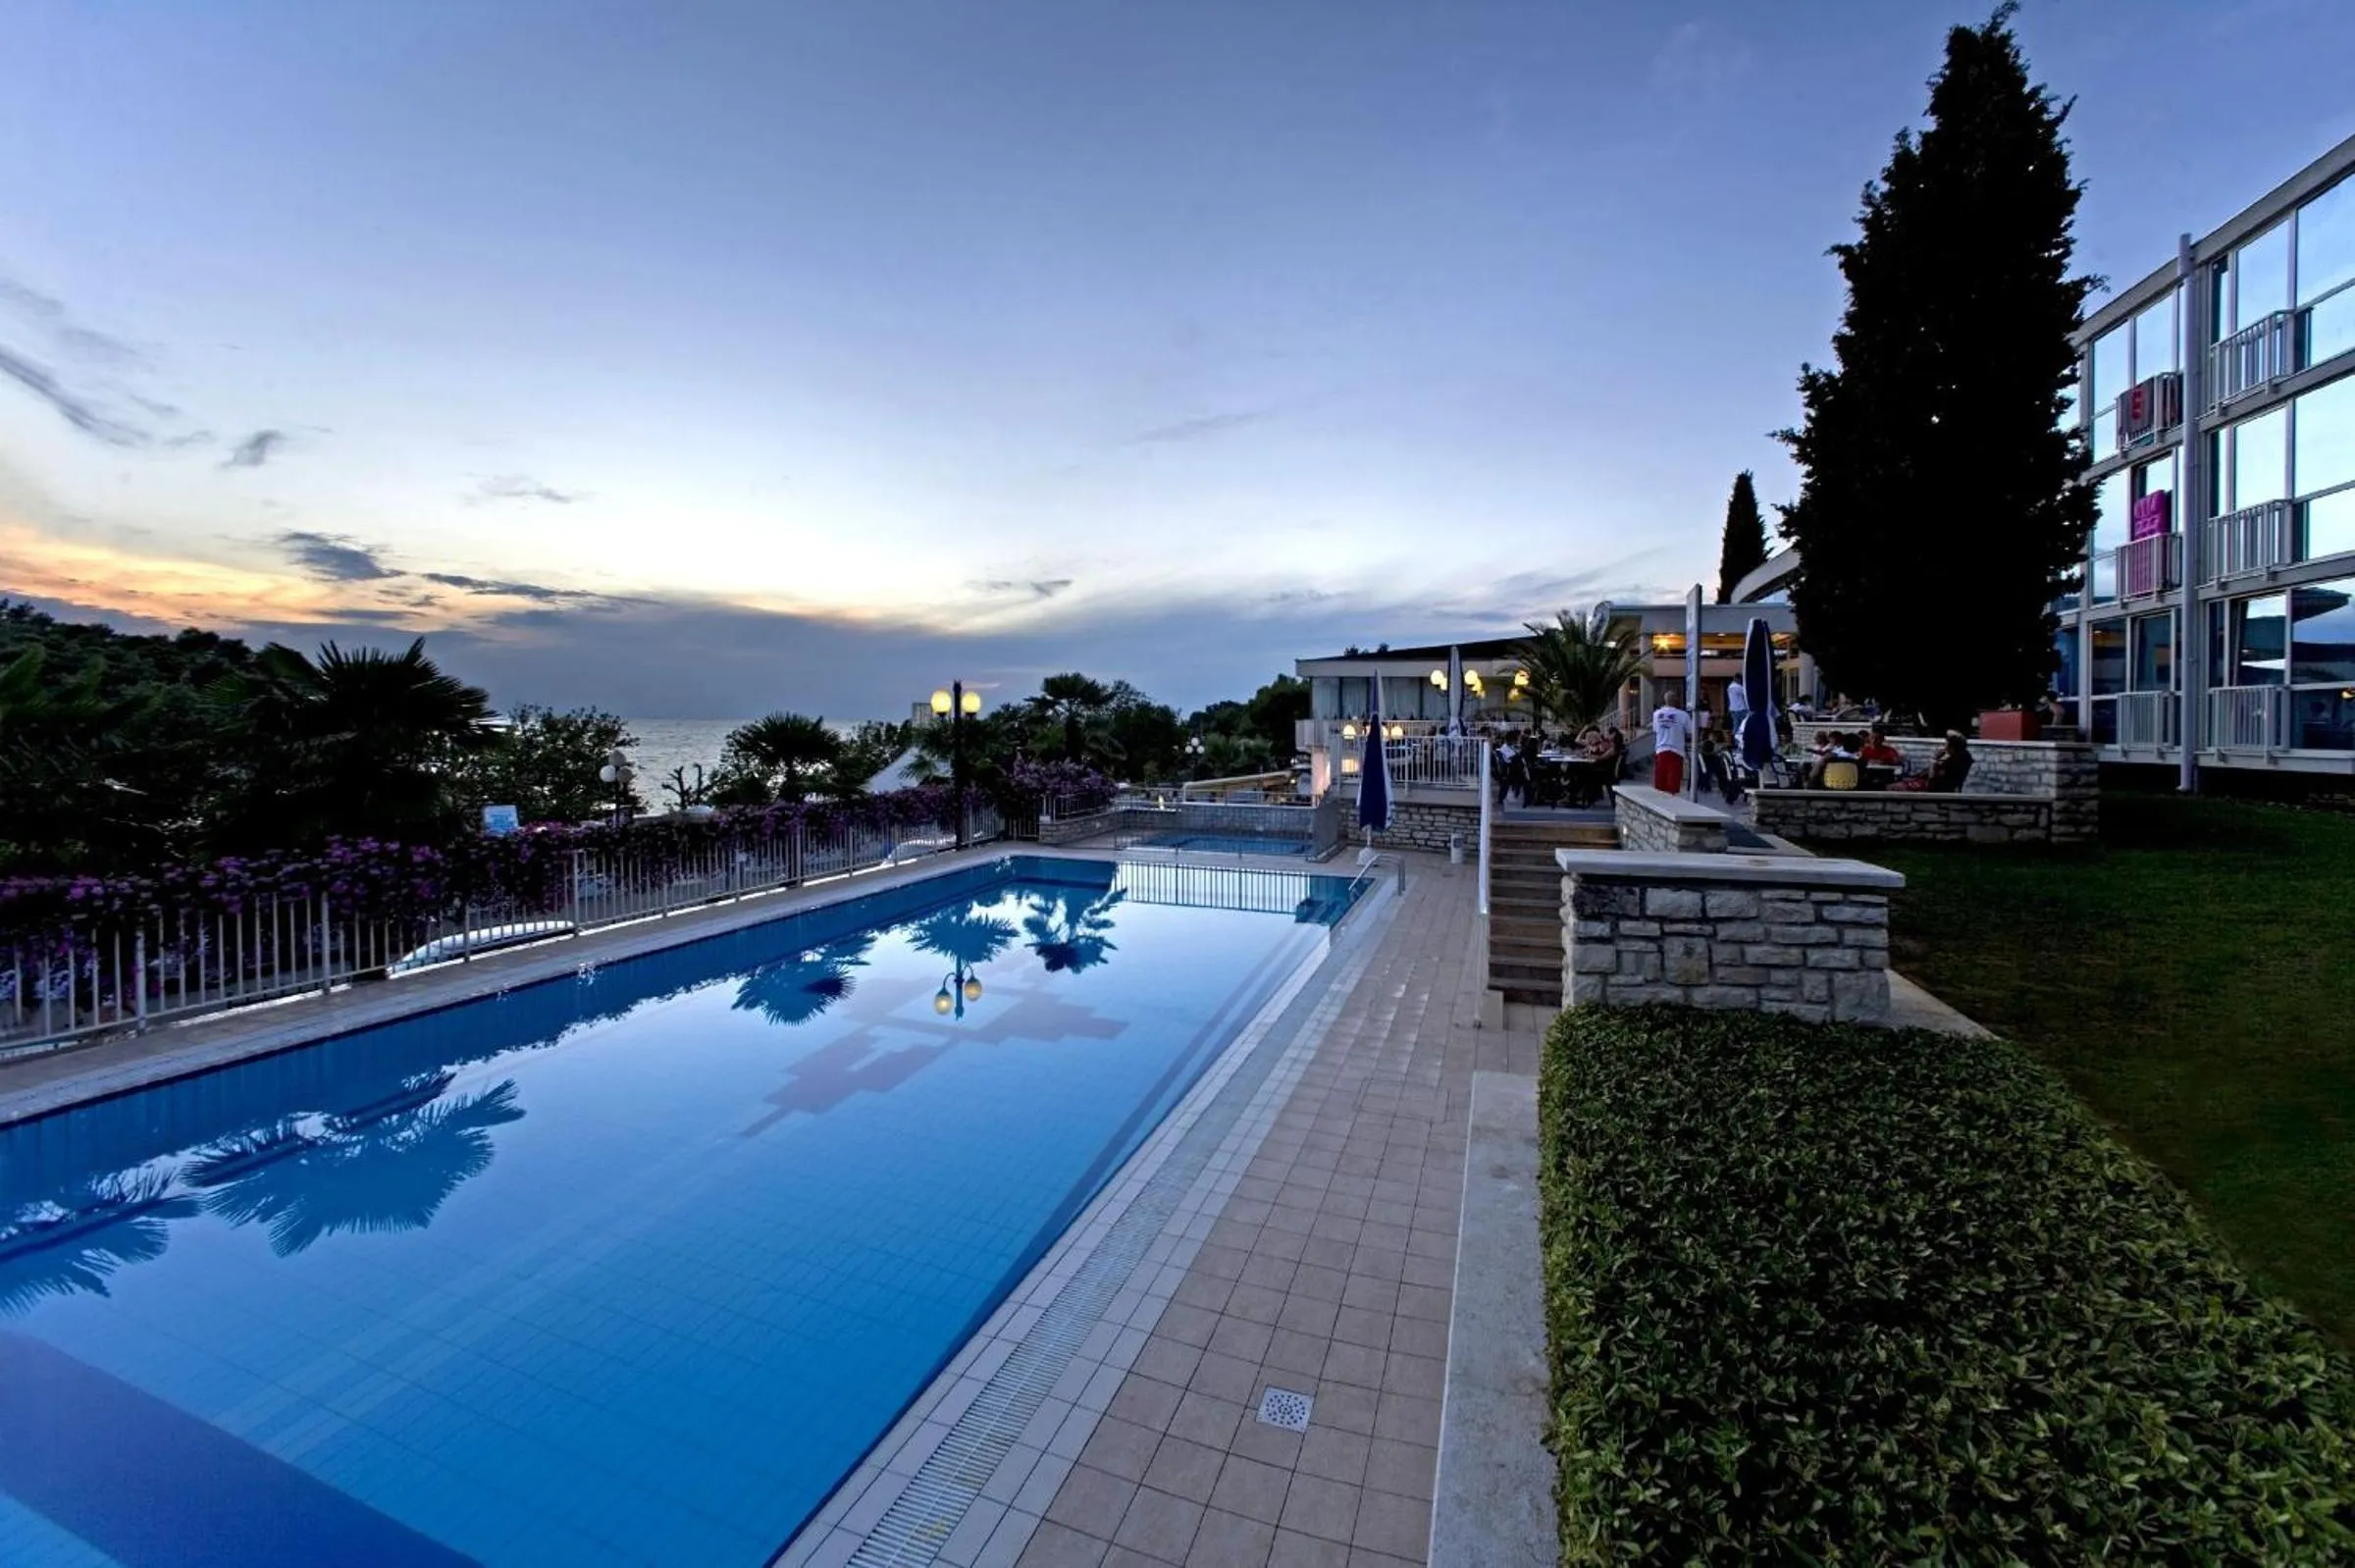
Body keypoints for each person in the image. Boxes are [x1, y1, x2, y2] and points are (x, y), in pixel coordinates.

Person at [1649, 697, 1692, 794]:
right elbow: (1691, 730)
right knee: (1674, 778)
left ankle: (1660, 800)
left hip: (1661, 748)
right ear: (1677, 702)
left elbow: (1655, 729)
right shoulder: (1683, 715)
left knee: (1661, 777)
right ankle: (1672, 797)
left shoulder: (1657, 714)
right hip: (1676, 749)